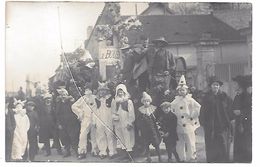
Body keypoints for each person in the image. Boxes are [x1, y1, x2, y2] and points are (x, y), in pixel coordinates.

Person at [199, 76, 233, 162]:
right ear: (210, 86)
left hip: (221, 123)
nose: (216, 87)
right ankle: (212, 159)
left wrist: (229, 118)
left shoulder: (224, 96)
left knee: (222, 141)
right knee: (211, 141)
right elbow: (202, 110)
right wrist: (203, 121)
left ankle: (223, 159)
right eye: (214, 85)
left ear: (219, 86)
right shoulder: (206, 97)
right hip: (210, 123)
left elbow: (229, 107)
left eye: (217, 85)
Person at [171, 75, 201, 162]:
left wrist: (192, 115)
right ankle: (181, 157)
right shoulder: (175, 101)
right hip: (179, 124)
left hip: (188, 123)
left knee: (190, 141)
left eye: (183, 90)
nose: (181, 91)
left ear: (186, 91)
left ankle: (191, 156)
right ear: (178, 91)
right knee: (180, 142)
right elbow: (171, 108)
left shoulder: (190, 99)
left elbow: (198, 107)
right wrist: (174, 117)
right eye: (180, 90)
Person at [71, 87, 98, 159]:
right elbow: (74, 106)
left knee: (94, 135)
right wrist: (80, 112)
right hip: (85, 119)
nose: (88, 91)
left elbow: (100, 107)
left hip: (94, 119)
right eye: (86, 90)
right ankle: (82, 152)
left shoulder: (96, 98)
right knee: (82, 135)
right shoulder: (83, 98)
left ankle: (95, 150)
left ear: (92, 91)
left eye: (89, 89)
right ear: (85, 91)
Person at [112, 84, 135, 161]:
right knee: (121, 136)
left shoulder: (128, 101)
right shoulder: (116, 101)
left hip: (126, 120)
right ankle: (124, 154)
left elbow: (131, 113)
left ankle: (130, 154)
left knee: (128, 136)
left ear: (124, 92)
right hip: (119, 121)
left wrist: (130, 122)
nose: (120, 93)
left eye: (121, 92)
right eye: (118, 92)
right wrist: (115, 117)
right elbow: (114, 111)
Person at [232, 75, 252, 162]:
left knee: (245, 141)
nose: (234, 85)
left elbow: (250, 108)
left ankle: (245, 159)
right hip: (238, 121)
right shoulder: (238, 95)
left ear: (240, 85)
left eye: (236, 83)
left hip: (245, 122)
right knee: (239, 141)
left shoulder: (247, 95)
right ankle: (239, 159)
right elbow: (234, 106)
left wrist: (241, 112)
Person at [137, 92, 162, 162]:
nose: (146, 103)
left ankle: (159, 157)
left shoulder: (153, 109)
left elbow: (158, 118)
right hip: (144, 130)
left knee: (156, 143)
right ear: (142, 102)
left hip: (153, 129)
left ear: (150, 101)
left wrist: (158, 124)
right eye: (144, 101)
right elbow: (138, 120)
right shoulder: (140, 110)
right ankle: (148, 157)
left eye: (147, 101)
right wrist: (140, 127)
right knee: (146, 144)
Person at [55, 88, 80, 158]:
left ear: (67, 94)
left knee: (74, 138)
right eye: (62, 94)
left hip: (72, 123)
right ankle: (67, 152)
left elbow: (75, 111)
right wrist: (59, 123)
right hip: (63, 124)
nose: (63, 96)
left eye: (64, 94)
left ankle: (77, 152)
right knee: (65, 138)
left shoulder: (71, 101)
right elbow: (57, 114)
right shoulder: (59, 103)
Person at [95, 81, 117, 159]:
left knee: (110, 135)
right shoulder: (96, 99)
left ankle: (112, 151)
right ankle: (102, 151)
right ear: (98, 91)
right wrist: (95, 121)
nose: (102, 92)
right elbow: (94, 111)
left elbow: (114, 110)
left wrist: (114, 120)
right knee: (101, 135)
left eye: (104, 90)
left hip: (109, 119)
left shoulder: (111, 99)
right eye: (100, 90)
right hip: (99, 119)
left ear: (107, 91)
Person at [5, 97, 16, 161]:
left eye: (6, 103)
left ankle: (8, 158)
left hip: (10, 132)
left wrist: (12, 129)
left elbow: (13, 122)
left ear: (8, 103)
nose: (5, 104)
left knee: (9, 146)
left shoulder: (10, 111)